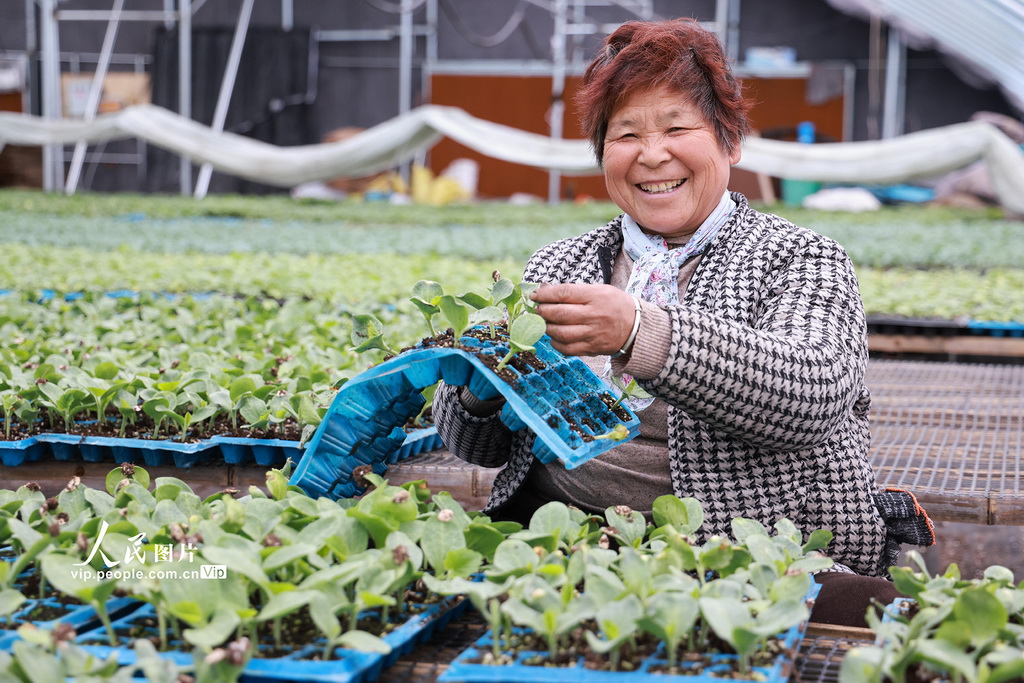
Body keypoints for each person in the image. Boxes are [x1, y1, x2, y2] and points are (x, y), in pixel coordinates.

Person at [432, 17, 933, 626]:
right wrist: (479, 393)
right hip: (565, 537)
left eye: (676, 127)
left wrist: (642, 333)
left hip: (749, 551)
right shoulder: (561, 262)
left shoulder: (801, 257)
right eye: (625, 135)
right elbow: (479, 450)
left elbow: (812, 394)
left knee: (870, 625)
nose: (651, 154)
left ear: (729, 141)